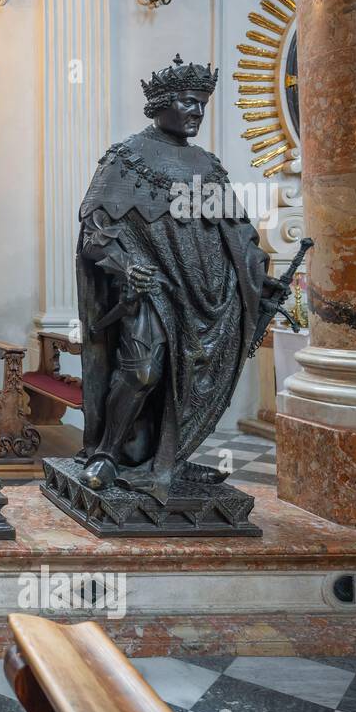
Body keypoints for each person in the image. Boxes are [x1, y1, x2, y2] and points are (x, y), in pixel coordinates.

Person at [76, 55, 287, 499]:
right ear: (162, 104)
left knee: (188, 380)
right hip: (150, 289)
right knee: (142, 372)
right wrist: (124, 266)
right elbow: (94, 235)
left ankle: (169, 457)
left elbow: (237, 231)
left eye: (202, 106)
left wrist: (256, 276)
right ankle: (106, 453)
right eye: (189, 103)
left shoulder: (207, 165)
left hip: (209, 294)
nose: (196, 113)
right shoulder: (125, 159)